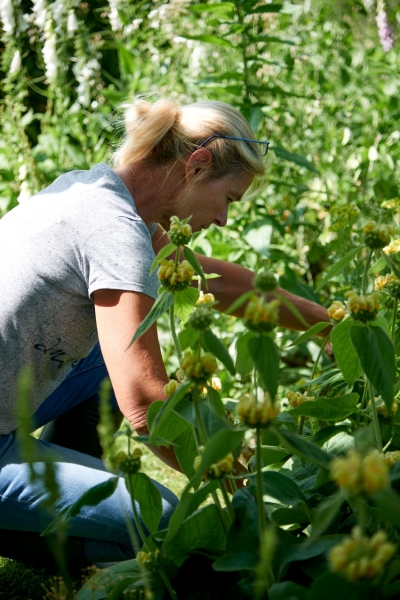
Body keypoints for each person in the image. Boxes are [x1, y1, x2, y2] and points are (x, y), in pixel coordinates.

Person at [0, 98, 329, 569]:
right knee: (169, 524)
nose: (223, 220)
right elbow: (145, 402)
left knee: (101, 359)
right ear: (196, 167)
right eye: (229, 199)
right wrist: (238, 486)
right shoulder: (113, 230)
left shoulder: (95, 192)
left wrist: (325, 323)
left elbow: (216, 279)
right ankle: (38, 527)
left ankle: (61, 481)